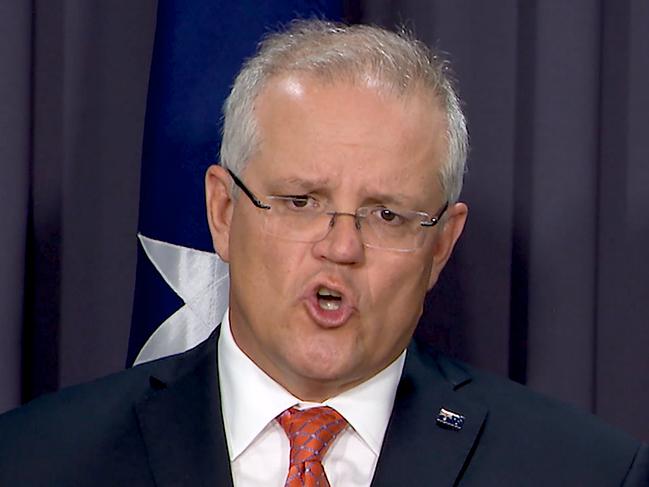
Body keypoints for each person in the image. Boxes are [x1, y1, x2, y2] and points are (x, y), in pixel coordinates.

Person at [0, 20, 647, 486]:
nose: (341, 247)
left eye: (386, 214)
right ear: (223, 213)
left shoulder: (583, 469)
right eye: (300, 201)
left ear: (441, 245)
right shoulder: (33, 459)